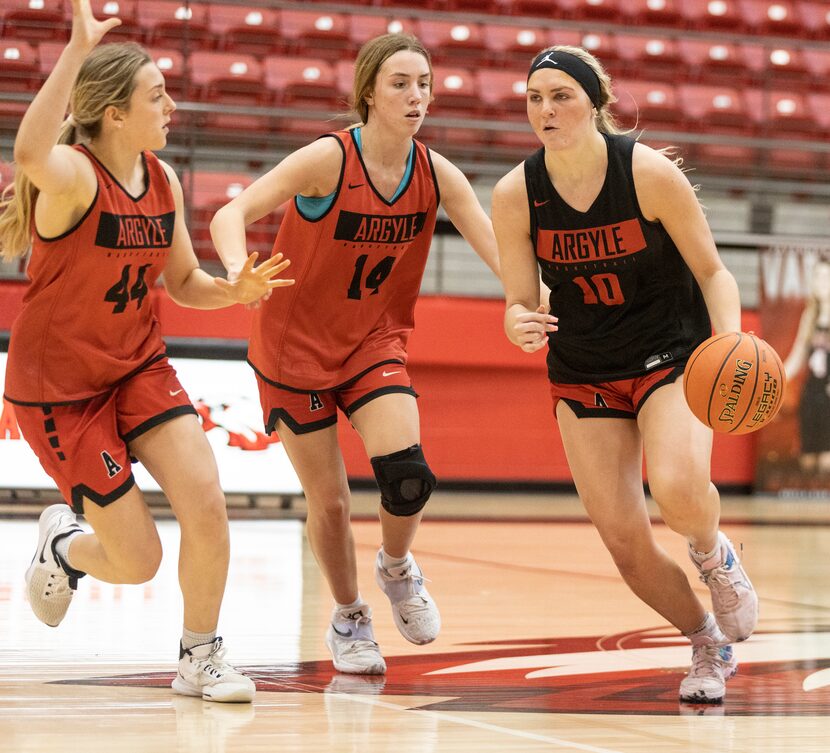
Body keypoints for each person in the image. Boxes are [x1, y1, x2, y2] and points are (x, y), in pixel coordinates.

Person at [0, 0, 293, 703]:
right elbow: (29, 153)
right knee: (138, 560)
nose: (172, 104)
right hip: (60, 390)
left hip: (136, 366)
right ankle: (65, 545)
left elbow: (184, 282)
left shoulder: (161, 179)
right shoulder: (71, 176)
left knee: (207, 501)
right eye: (156, 95)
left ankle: (200, 654)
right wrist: (72, 53)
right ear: (114, 114)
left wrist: (235, 289)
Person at [210, 33, 500, 674]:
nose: (416, 95)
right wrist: (238, 271)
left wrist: (528, 301)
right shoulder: (327, 160)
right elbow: (230, 213)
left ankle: (396, 567)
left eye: (424, 82)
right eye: (401, 82)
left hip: (373, 341)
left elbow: (494, 245)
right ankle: (348, 617)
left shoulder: (435, 172)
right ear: (369, 91)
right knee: (333, 501)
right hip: (295, 350)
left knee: (409, 476)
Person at [491, 45, 757, 705]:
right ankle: (704, 642)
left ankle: (713, 554)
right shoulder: (515, 194)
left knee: (676, 485)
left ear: (596, 102)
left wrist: (728, 340)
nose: (545, 111)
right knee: (625, 542)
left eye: (561, 96)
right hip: (584, 368)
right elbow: (520, 300)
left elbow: (714, 272)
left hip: (671, 353)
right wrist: (517, 322)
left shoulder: (645, 173)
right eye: (534, 98)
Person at [783, 257, 830, 479]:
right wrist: (776, 376)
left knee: (827, 460)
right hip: (812, 392)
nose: (820, 282)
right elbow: (797, 356)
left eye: (825, 277)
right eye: (817, 277)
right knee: (809, 458)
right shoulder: (810, 317)